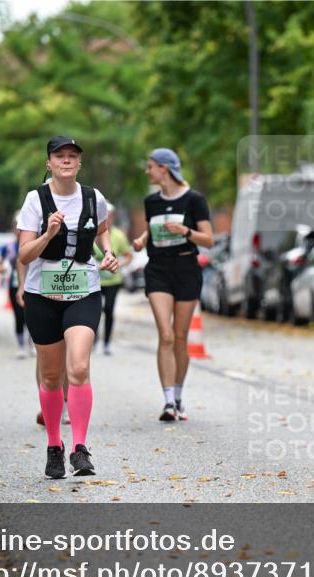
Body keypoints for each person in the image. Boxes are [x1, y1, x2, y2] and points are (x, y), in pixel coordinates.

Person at [16, 136, 118, 479]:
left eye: (72, 156)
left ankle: (80, 448)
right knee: (50, 375)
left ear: (79, 163)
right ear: (49, 163)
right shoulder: (35, 200)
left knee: (79, 367)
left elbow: (102, 228)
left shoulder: (92, 197)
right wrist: (47, 235)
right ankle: (54, 446)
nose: (66, 160)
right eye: (59, 156)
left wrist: (108, 252)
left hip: (83, 291)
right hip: (42, 296)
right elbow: (24, 255)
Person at [132, 148, 213, 422]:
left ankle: (178, 396)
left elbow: (209, 239)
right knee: (165, 335)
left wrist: (186, 231)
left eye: (150, 166)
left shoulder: (194, 200)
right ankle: (168, 402)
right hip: (158, 270)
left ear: (164, 168)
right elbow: (153, 227)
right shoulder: (151, 201)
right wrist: (142, 240)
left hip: (187, 268)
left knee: (180, 336)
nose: (147, 171)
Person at [93, 203, 132, 355]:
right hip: (95, 280)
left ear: (112, 216)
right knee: (95, 311)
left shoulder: (119, 236)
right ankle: (94, 341)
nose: (106, 219)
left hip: (113, 281)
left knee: (109, 310)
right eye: (103, 216)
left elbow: (128, 256)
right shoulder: (93, 233)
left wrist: (117, 263)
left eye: (109, 216)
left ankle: (107, 343)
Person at [0, 218, 30, 358]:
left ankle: (32, 343)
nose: (19, 231)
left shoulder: (32, 244)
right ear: (13, 230)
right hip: (14, 284)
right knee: (18, 315)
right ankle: (21, 345)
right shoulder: (8, 247)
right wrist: (1, 269)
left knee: (31, 316)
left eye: (22, 228)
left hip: (32, 284)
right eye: (17, 228)